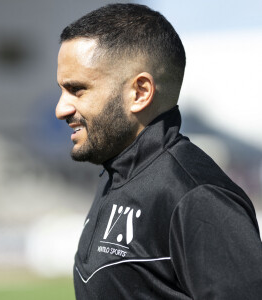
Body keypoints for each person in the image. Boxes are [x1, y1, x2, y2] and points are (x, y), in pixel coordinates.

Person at [56, 3, 262, 299]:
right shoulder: (115, 174)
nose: (61, 109)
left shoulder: (196, 196)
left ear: (140, 92)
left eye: (77, 89)